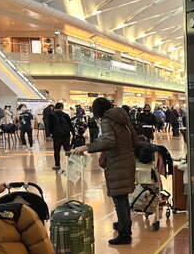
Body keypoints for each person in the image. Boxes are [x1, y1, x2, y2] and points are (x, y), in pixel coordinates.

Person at [72, 98, 137, 245]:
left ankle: (125, 234)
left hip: (117, 161)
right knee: (122, 196)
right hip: (127, 159)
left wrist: (87, 147)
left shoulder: (107, 120)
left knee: (119, 198)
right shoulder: (122, 117)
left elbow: (108, 141)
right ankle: (123, 224)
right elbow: (134, 139)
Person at [47, 102, 73, 170]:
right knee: (68, 150)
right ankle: (70, 165)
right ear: (61, 107)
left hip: (57, 135)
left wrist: (50, 133)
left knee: (57, 151)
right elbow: (70, 125)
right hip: (66, 135)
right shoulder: (65, 115)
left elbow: (49, 125)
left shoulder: (51, 115)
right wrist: (73, 133)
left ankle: (57, 165)